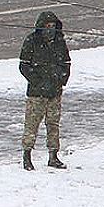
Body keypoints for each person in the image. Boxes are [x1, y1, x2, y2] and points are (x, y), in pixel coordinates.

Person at [19, 11, 71, 171]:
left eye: (53, 26)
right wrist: (37, 81)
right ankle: (27, 156)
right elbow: (24, 65)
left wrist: (61, 79)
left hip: (54, 92)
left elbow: (66, 62)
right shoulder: (32, 41)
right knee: (32, 124)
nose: (50, 29)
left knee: (53, 124)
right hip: (36, 93)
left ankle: (53, 155)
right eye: (47, 26)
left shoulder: (59, 41)